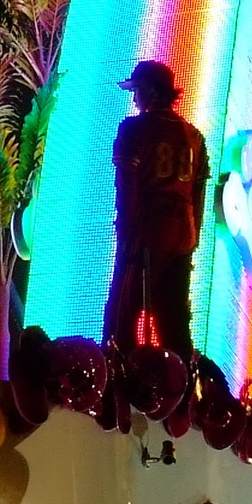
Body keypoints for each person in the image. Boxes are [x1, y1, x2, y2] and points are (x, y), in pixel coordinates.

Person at [104, 59, 210, 354]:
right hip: (183, 233)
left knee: (123, 313)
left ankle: (117, 379)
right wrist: (192, 238)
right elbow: (198, 194)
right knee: (174, 318)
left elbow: (126, 186)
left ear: (149, 91)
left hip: (147, 230)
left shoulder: (134, 130)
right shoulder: (195, 137)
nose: (134, 97)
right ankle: (182, 383)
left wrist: (127, 232)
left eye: (136, 90)